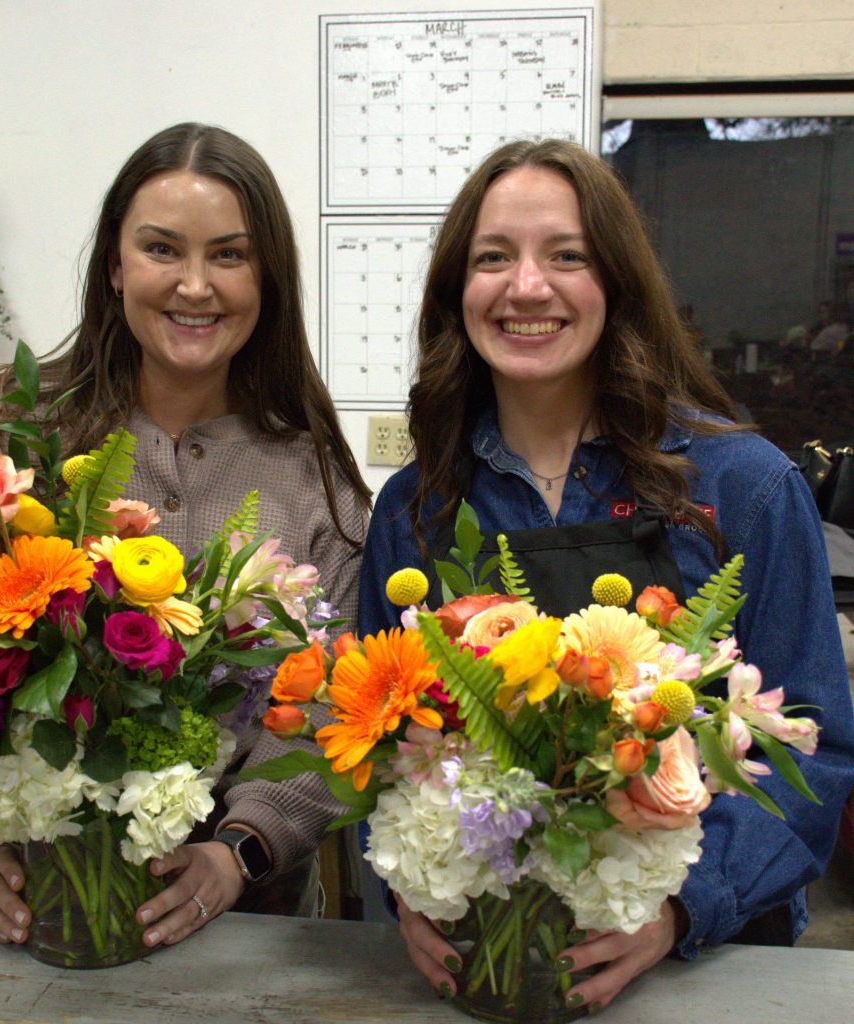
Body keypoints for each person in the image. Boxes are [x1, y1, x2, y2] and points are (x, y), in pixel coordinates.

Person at [358, 139, 854, 1010]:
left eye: (566, 256)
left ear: (617, 283)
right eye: (491, 258)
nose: (525, 287)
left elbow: (815, 748)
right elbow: (377, 746)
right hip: (492, 960)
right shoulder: (415, 506)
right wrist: (412, 892)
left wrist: (677, 910)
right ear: (455, 293)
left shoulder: (742, 485)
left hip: (711, 963)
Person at [0, 123, 370, 949]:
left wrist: (242, 850)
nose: (195, 286)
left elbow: (335, 707)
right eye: (162, 249)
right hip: (29, 914)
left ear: (267, 275)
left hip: (248, 931)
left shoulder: (310, 474)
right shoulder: (1, 439)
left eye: (229, 255)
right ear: (115, 265)